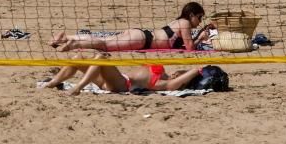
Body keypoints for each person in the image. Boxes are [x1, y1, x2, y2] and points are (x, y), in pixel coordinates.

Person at [50, 2, 212, 52]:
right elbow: (190, 48)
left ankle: (65, 38)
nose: (199, 21)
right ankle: (75, 44)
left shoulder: (178, 22)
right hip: (142, 40)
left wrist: (198, 36)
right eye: (199, 17)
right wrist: (201, 39)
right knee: (105, 45)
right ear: (191, 15)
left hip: (140, 34)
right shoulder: (184, 23)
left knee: (104, 39)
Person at [42, 53, 204, 96]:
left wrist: (197, 70)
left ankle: (78, 87)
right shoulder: (161, 72)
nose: (176, 72)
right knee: (78, 58)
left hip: (121, 85)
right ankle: (52, 83)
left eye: (178, 74)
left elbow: (191, 72)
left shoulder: (165, 84)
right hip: (117, 79)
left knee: (100, 58)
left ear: (178, 78)